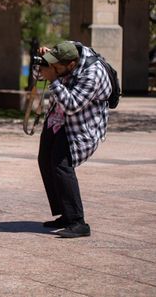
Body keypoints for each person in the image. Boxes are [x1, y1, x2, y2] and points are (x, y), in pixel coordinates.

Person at [37, 40, 112, 238]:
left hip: (82, 125)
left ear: (71, 64)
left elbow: (72, 105)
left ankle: (78, 222)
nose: (54, 68)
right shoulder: (68, 50)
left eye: (57, 66)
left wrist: (53, 80)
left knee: (61, 165)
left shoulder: (93, 73)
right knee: (45, 160)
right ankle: (66, 215)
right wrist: (45, 61)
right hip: (58, 119)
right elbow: (41, 77)